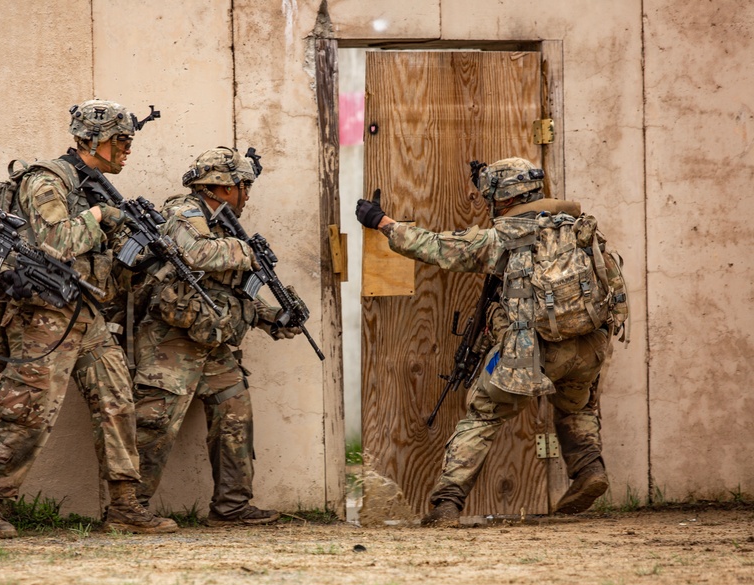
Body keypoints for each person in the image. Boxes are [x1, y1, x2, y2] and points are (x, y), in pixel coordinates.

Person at [356, 157, 626, 524]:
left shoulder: (503, 238)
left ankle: (446, 504)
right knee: (576, 406)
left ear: (502, 199)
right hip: (588, 347)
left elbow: (435, 247)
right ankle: (589, 470)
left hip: (532, 355)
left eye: (491, 197)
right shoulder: (579, 229)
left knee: (483, 414)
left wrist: (382, 221)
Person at [0, 99, 177, 536]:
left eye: (129, 139)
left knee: (118, 404)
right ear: (90, 140)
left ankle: (124, 506)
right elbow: (56, 241)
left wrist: (139, 248)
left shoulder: (93, 186)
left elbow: (104, 259)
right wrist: (102, 216)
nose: (128, 148)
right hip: (44, 315)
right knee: (28, 412)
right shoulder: (48, 180)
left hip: (87, 315)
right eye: (121, 140)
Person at [132, 147, 303, 526]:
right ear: (223, 187)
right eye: (244, 186)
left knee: (235, 414)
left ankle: (232, 506)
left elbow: (235, 293)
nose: (247, 195)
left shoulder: (223, 226)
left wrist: (276, 318)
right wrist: (248, 252)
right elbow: (197, 254)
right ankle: (129, 507)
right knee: (154, 425)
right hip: (170, 342)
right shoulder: (184, 211)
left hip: (212, 343)